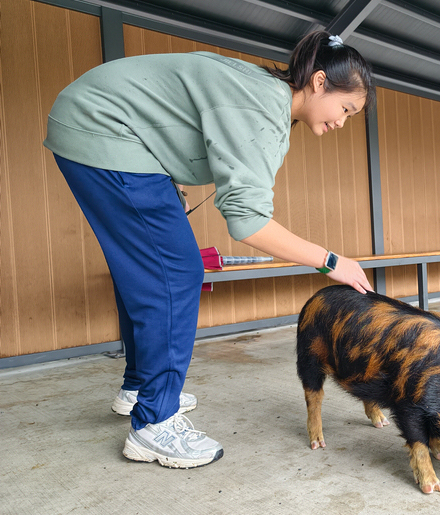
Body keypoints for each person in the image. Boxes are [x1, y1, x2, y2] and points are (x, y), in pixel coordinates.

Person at [43, 31, 375, 468]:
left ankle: (140, 386)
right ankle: (155, 422)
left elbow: (173, 117)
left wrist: (170, 183)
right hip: (101, 128)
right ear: (317, 83)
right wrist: (331, 261)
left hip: (100, 125)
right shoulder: (259, 106)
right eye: (345, 109)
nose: (342, 122)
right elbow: (249, 222)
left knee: (148, 269)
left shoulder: (265, 98)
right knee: (176, 271)